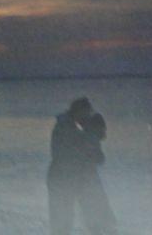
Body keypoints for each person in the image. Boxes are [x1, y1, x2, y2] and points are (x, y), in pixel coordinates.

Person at [47, 97, 94, 235]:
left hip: (69, 177)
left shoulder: (76, 126)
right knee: (62, 216)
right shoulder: (65, 127)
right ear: (77, 112)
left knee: (66, 215)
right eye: (86, 113)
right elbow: (62, 153)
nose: (87, 116)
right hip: (61, 177)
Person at [80, 113, 117, 235]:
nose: (104, 131)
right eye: (102, 128)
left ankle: (98, 226)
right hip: (88, 177)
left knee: (92, 205)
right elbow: (98, 158)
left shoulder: (87, 136)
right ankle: (103, 226)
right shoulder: (91, 138)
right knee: (97, 203)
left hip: (86, 177)